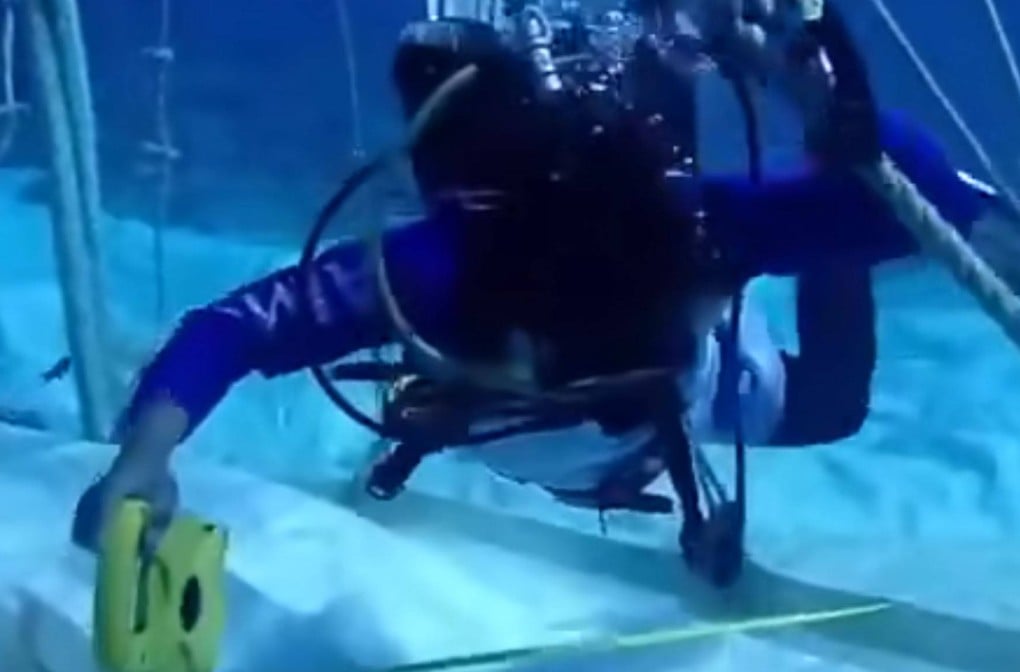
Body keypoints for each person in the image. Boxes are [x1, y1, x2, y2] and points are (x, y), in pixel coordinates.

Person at [71, 2, 1005, 557]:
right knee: (827, 380)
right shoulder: (671, 218)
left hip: (651, 394)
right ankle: (664, 40)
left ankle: (664, 41)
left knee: (820, 332)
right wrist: (835, 117)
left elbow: (231, 328)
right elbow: (908, 205)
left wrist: (143, 459)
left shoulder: (435, 263)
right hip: (680, 380)